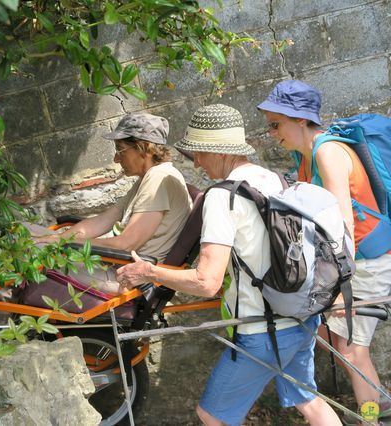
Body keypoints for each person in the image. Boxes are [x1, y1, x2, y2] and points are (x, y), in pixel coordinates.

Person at [115, 104, 340, 426]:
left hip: (264, 330)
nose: (198, 164)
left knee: (212, 415)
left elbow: (207, 281)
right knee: (309, 401)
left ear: (215, 151)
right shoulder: (275, 179)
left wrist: (148, 272)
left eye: (197, 154)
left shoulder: (223, 196)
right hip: (301, 317)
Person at [257, 79, 391, 419]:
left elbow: (341, 225)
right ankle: (378, 404)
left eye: (276, 124)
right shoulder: (305, 157)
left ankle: (375, 415)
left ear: (301, 120)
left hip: (368, 262)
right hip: (354, 261)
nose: (272, 133)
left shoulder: (328, 152)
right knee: (334, 339)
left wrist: (341, 290)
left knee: (350, 350)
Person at [34, 112, 193, 293]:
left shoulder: (159, 178)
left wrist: (63, 244)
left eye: (120, 150)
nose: (116, 159)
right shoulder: (149, 177)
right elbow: (102, 220)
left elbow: (126, 244)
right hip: (116, 266)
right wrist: (60, 239)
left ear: (144, 148)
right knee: (26, 232)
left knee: (30, 252)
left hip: (126, 277)